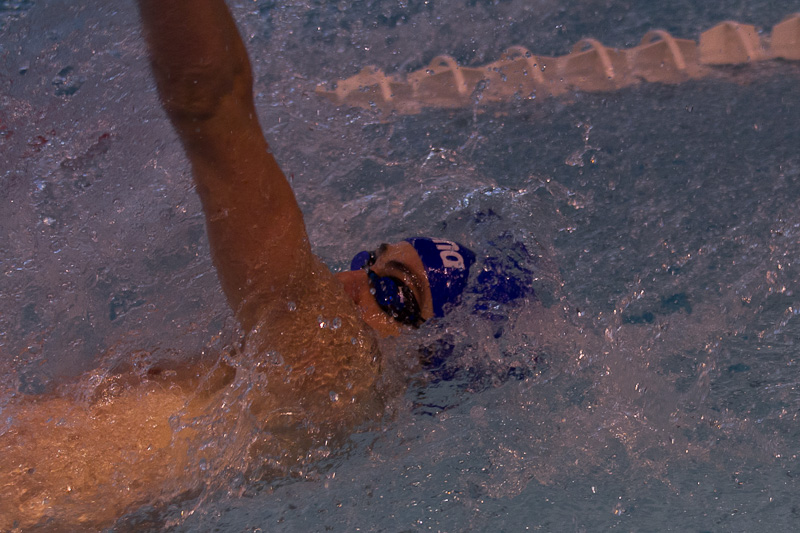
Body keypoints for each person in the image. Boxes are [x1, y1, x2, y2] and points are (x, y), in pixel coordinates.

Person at [0, 0, 476, 528]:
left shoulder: (339, 369)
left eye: (393, 293)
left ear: (430, 352)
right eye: (369, 263)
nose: (348, 282)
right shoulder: (285, 392)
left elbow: (209, 104)